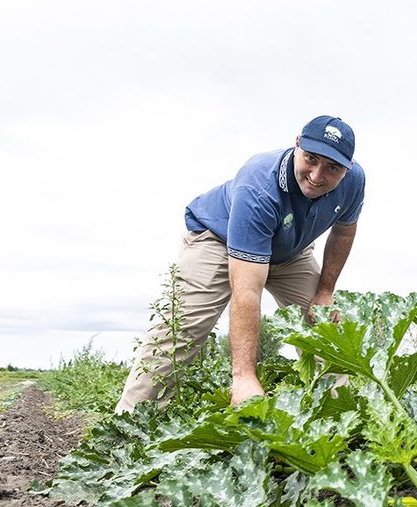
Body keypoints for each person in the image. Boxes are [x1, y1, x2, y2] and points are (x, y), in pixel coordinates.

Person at [116, 115, 366, 413]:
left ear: (347, 168)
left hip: (289, 252)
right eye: (310, 159)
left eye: (332, 168)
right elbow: (247, 292)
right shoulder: (259, 185)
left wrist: (325, 291)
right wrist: (244, 376)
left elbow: (344, 230)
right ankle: (128, 426)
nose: (316, 175)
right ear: (297, 144)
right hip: (219, 241)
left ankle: (341, 421)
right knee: (181, 332)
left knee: (325, 329)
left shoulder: (354, 182)